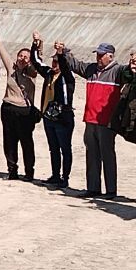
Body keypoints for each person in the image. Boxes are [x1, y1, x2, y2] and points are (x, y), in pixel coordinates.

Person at [65, 41, 134, 199]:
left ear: (110, 56)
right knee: (92, 155)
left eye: (102, 55)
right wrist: (65, 52)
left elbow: (130, 74)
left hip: (106, 121)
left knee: (107, 155)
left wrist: (132, 66)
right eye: (97, 54)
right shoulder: (91, 69)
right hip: (90, 120)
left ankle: (111, 191)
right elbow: (76, 65)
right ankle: (93, 188)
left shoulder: (118, 70)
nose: (99, 58)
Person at [0, 26, 37, 181]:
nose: (22, 58)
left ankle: (29, 172)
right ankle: (12, 170)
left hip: (24, 111)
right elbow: (1, 48)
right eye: (20, 55)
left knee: (26, 142)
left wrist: (37, 43)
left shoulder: (33, 73)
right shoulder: (11, 68)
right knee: (9, 141)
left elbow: (37, 59)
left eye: (26, 56)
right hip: (8, 108)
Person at [31, 34, 76, 189]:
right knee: (53, 148)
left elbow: (64, 66)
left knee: (65, 149)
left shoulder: (68, 77)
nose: (54, 63)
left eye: (57, 60)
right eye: (53, 60)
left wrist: (61, 54)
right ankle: (55, 175)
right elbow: (36, 63)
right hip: (49, 118)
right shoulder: (49, 73)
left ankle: (65, 178)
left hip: (63, 119)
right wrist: (35, 45)